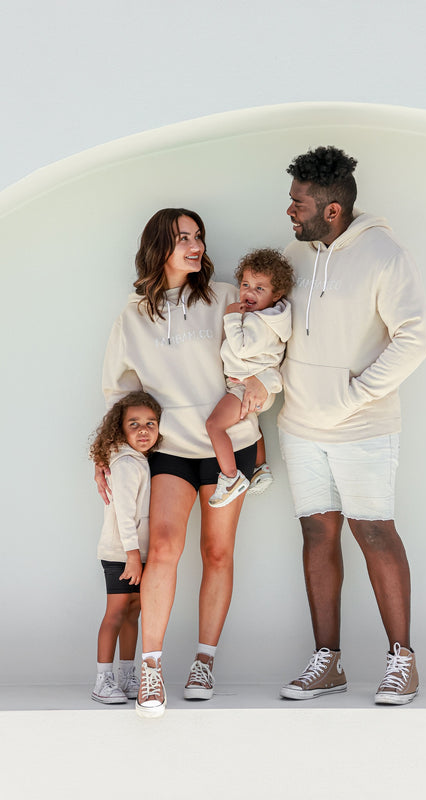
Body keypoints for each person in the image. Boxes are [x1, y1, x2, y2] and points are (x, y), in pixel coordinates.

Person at [95, 208, 279, 718]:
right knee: (164, 547)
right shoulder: (132, 316)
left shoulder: (224, 296)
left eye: (198, 237)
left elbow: (264, 359)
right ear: (160, 246)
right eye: (183, 238)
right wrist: (109, 451)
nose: (195, 246)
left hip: (230, 444)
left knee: (217, 552)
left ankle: (204, 660)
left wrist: (260, 393)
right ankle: (151, 668)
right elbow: (118, 393)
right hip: (170, 449)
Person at [278, 146, 426, 705]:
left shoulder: (386, 255)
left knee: (373, 532)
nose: (289, 210)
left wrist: (356, 395)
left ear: (333, 209)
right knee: (317, 533)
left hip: (363, 426)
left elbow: (415, 337)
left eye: (298, 203)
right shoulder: (297, 257)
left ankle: (402, 660)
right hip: (299, 425)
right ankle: (329, 662)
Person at [89, 391, 162, 704]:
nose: (143, 430)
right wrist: (132, 556)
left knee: (134, 613)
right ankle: (102, 680)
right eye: (134, 424)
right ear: (120, 429)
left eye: (151, 424)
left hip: (138, 554)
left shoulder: (140, 460)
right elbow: (124, 514)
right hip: (121, 554)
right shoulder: (125, 463)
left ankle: (128, 675)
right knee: (116, 613)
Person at [206, 248, 294, 507]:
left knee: (215, 425)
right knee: (250, 423)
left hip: (244, 387)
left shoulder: (259, 322)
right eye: (245, 284)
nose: (249, 293)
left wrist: (232, 317)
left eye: (259, 288)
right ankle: (260, 467)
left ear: (276, 294)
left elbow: (241, 347)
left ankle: (231, 477)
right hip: (255, 387)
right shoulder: (273, 318)